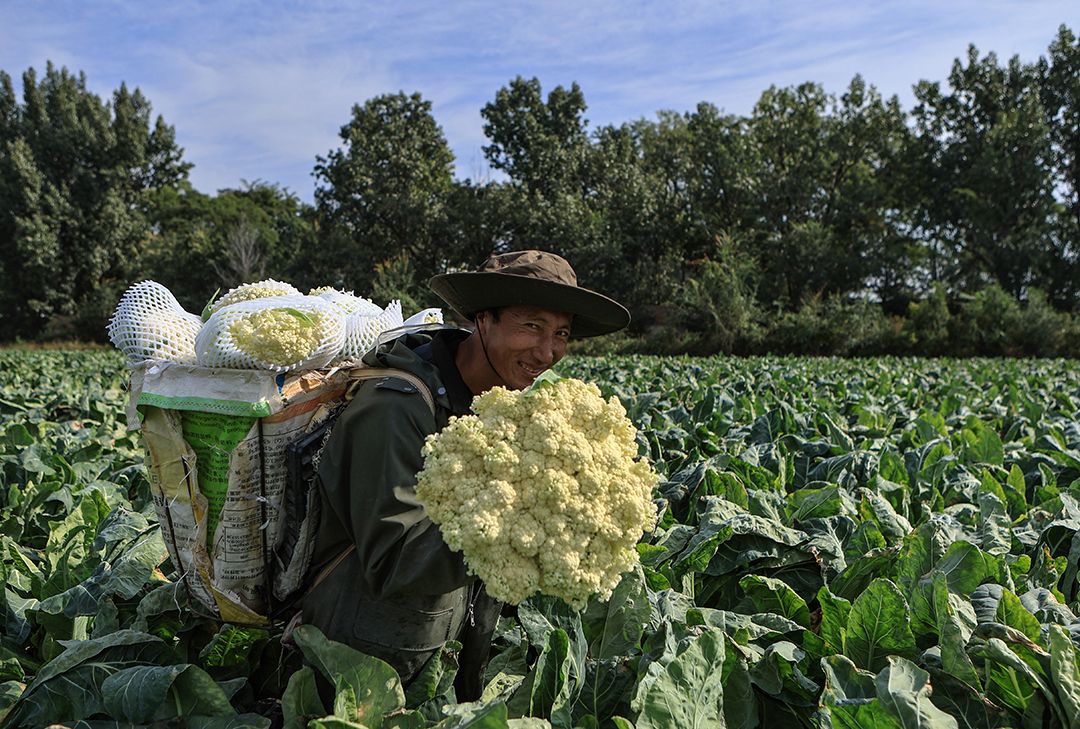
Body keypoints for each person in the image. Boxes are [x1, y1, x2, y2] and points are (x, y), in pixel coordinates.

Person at [301, 249, 630, 700]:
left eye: (561, 334)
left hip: (439, 664)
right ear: (482, 319)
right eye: (531, 326)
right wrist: (533, 532)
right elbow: (396, 559)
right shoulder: (393, 409)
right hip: (359, 677)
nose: (547, 351)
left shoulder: (503, 408)